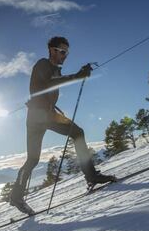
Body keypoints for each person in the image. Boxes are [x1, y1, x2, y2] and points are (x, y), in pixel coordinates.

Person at [10, 36, 116, 215]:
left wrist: (77, 75)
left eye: (67, 52)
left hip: (41, 116)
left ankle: (16, 196)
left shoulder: (56, 70)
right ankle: (91, 176)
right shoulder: (43, 64)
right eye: (62, 51)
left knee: (35, 158)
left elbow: (51, 86)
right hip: (40, 116)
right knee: (75, 134)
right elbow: (50, 83)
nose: (65, 55)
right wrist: (77, 75)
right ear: (52, 50)